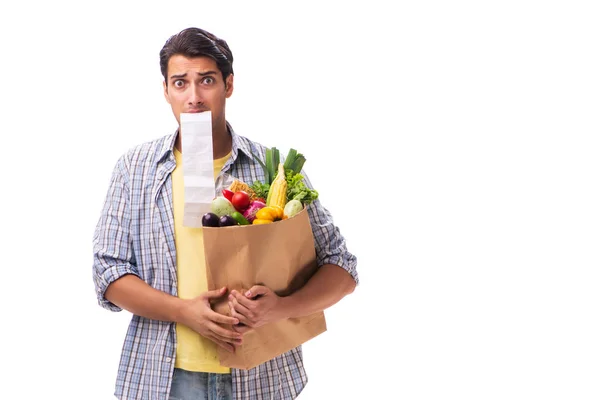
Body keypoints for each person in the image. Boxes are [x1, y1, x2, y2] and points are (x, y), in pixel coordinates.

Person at [92, 27, 359, 400]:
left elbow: (341, 266)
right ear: (166, 90)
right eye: (180, 83)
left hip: (263, 376)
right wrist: (184, 312)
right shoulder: (135, 169)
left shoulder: (272, 169)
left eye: (207, 81)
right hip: (165, 376)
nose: (194, 97)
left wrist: (280, 308)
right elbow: (109, 272)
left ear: (228, 85)